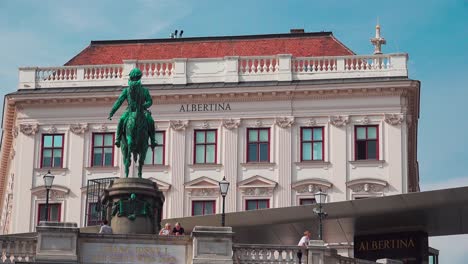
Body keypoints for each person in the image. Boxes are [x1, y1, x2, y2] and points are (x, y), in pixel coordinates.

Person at [108, 68, 157, 148]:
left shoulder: (144, 91)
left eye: (136, 78)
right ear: (130, 78)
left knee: (150, 120)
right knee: (122, 119)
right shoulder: (126, 91)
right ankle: (118, 138)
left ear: (139, 78)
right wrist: (112, 112)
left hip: (142, 111)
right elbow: (119, 102)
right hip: (130, 110)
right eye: (133, 78)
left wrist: (144, 106)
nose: (134, 80)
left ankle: (152, 139)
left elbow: (150, 101)